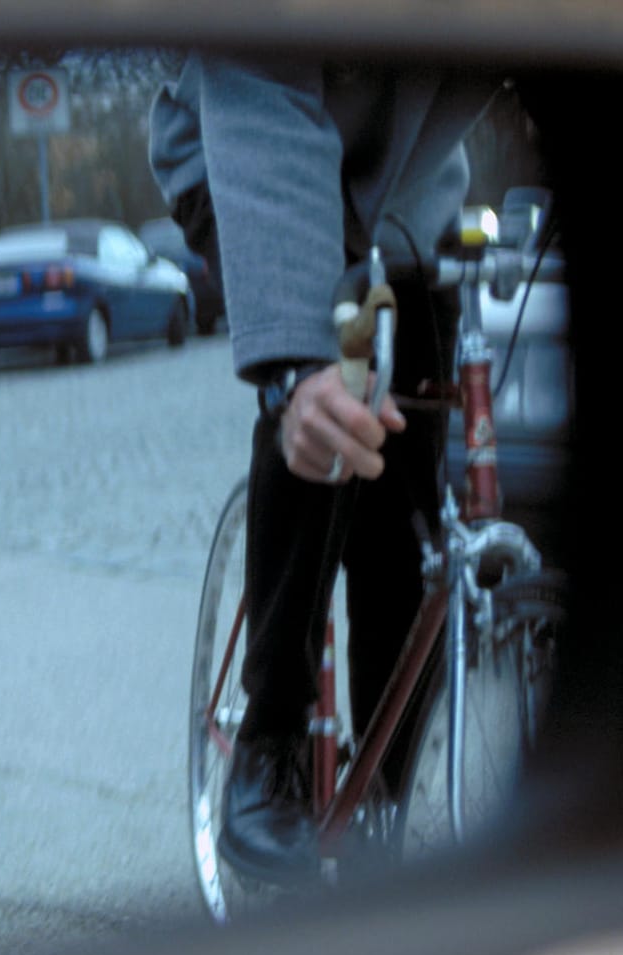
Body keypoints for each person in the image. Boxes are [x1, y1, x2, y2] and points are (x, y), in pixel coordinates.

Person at [150, 58, 500, 882]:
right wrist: (295, 365)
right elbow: (258, 77)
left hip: (411, 195)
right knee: (326, 402)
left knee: (407, 502)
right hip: (244, 144)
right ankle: (270, 744)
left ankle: (389, 786)